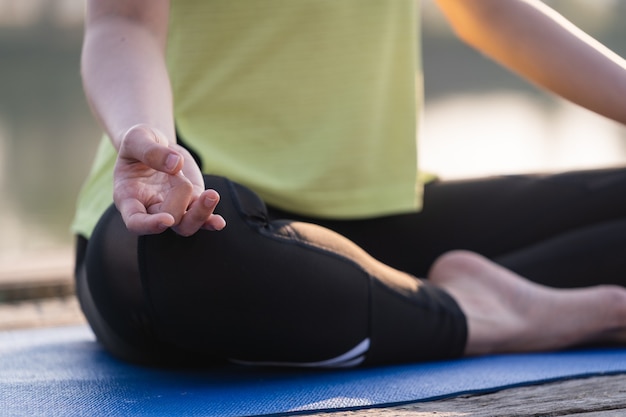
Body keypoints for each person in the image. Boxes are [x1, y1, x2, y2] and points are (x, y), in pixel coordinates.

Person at [73, 0, 626, 368]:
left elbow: (489, 11)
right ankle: (475, 313)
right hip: (201, 211)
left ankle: (415, 306)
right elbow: (125, 20)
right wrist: (156, 149)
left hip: (381, 215)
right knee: (183, 260)